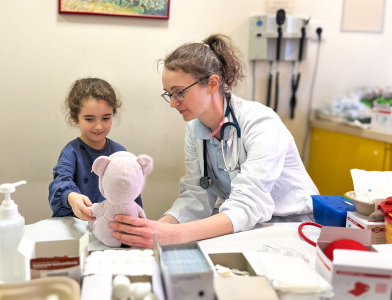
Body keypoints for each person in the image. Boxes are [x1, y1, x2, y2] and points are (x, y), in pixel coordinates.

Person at [109, 34, 319, 248]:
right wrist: (155, 229)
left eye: (179, 93)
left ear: (212, 84)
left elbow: (250, 202)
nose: (173, 103)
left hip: (293, 226)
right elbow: (197, 192)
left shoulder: (261, 123)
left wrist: (174, 234)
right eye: (168, 94)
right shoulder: (195, 129)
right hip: (250, 224)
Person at [48, 78, 142, 220]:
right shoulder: (71, 152)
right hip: (76, 226)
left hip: (109, 230)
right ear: (75, 118)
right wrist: (71, 198)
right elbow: (60, 182)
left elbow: (132, 192)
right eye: (89, 119)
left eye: (105, 118)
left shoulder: (120, 153)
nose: (99, 126)